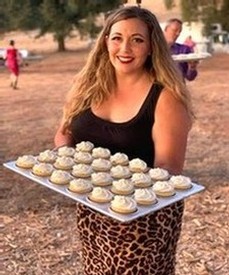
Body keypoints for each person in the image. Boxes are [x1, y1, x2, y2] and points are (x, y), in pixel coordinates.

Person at [54, 6, 193, 275]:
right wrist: (67, 159)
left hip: (144, 218)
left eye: (137, 40)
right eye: (117, 37)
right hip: (93, 208)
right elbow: (64, 132)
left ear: (152, 46)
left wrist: (119, 189)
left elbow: (168, 169)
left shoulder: (166, 98)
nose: (125, 48)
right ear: (105, 41)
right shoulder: (87, 87)